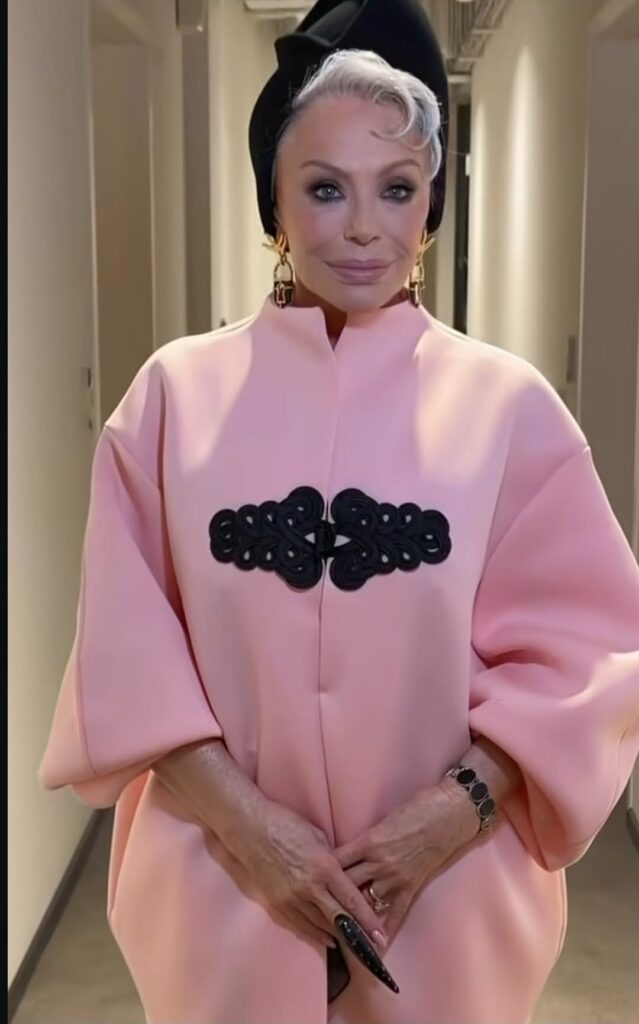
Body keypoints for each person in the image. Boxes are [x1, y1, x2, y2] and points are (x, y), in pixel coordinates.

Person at [39, 2, 639, 1023]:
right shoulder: (172, 401)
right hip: (219, 890)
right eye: (324, 188)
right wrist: (255, 837)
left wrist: (447, 818)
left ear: (429, 204)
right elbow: (127, 661)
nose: (364, 227)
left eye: (396, 188)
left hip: (449, 901)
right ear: (273, 202)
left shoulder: (510, 410)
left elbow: (589, 655)